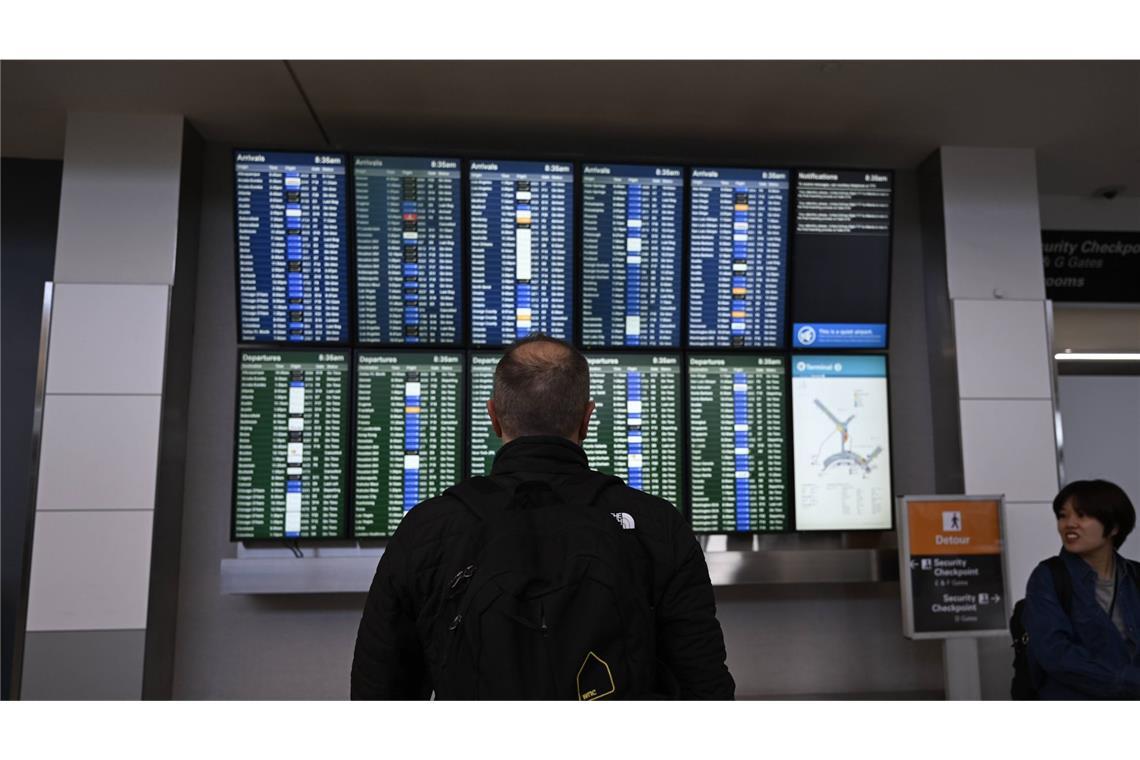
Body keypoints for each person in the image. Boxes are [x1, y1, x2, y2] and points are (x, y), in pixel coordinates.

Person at [350, 334, 735, 699]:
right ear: (586, 419)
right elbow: (705, 687)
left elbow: (378, 694)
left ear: (494, 416)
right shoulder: (658, 527)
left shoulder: (426, 530)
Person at [1023, 479, 1140, 698]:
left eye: (1082, 515)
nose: (1069, 524)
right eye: (1063, 515)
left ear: (1114, 527)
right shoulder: (1048, 576)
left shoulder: (1135, 575)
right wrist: (1130, 681)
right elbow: (1056, 654)